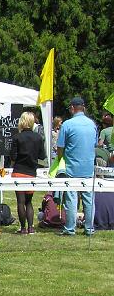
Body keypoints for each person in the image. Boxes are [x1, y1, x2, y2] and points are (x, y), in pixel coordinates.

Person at [57, 96, 97, 236]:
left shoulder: (67, 124)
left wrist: (60, 159)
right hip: (88, 167)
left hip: (72, 167)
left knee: (71, 199)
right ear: (83, 108)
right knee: (89, 199)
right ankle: (89, 228)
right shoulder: (92, 124)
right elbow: (95, 144)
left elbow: (60, 147)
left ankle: (70, 228)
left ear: (72, 108)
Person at [10, 111, 46, 234]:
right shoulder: (38, 137)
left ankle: (23, 228)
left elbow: (13, 157)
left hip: (19, 171)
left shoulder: (17, 137)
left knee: (20, 201)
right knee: (28, 201)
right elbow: (42, 155)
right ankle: (31, 227)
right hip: (31, 172)